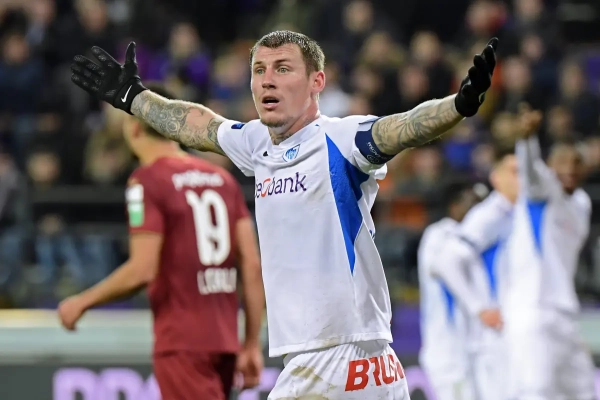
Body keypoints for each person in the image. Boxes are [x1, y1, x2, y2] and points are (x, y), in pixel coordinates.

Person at [69, 30, 499, 399]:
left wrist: (457, 105)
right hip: (355, 360)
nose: (267, 80)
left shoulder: (340, 138)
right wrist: (134, 98)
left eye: (283, 68)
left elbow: (401, 127)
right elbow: (197, 124)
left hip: (338, 354)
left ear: (317, 82)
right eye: (259, 70)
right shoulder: (258, 144)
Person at [57, 84, 265, 400]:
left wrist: (82, 302)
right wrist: (251, 342)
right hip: (224, 340)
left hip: (182, 341)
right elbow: (251, 265)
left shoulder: (145, 181)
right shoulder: (223, 180)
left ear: (133, 127)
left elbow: (142, 269)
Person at [503, 106, 596, 400]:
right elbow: (530, 172)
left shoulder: (582, 203)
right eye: (562, 161)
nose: (569, 168)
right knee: (536, 391)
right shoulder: (541, 191)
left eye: (576, 162)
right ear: (550, 165)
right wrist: (527, 140)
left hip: (564, 313)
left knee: (583, 391)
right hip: (532, 310)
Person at [436, 147, 519, 400]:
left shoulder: (519, 213)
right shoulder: (491, 214)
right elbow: (447, 261)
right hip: (496, 337)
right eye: (514, 172)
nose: (521, 179)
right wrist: (480, 308)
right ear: (496, 177)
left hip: (514, 330)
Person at [417, 180, 484, 400]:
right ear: (454, 206)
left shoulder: (479, 236)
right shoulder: (439, 233)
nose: (477, 210)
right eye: (471, 203)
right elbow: (440, 267)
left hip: (474, 349)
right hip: (447, 349)